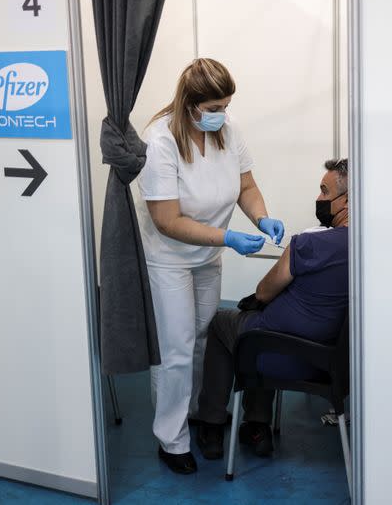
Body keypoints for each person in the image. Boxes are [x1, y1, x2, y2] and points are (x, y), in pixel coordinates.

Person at [136, 58, 285, 475]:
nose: (223, 113)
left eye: (227, 105)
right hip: (169, 259)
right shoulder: (160, 141)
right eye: (215, 106)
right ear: (191, 104)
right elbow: (167, 220)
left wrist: (260, 218)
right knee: (177, 349)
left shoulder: (228, 130)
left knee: (204, 339)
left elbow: (247, 186)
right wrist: (228, 237)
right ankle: (172, 438)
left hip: (207, 257)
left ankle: (203, 417)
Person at [194, 158, 349, 460]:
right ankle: (256, 428)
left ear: (348, 200)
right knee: (259, 326)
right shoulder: (370, 245)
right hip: (334, 362)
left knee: (225, 324)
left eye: (324, 191)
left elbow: (265, 291)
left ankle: (212, 423)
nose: (318, 198)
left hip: (281, 355)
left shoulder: (309, 244)